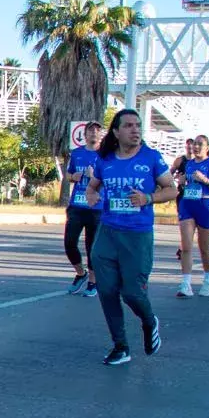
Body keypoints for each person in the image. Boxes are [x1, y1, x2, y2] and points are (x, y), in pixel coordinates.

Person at [84, 109, 178, 365]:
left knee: (133, 293)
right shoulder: (105, 160)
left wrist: (148, 198)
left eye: (138, 125)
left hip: (137, 235)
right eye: (128, 126)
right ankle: (120, 346)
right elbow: (93, 186)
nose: (135, 130)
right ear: (116, 131)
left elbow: (171, 189)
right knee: (107, 290)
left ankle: (149, 321)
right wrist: (92, 195)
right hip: (107, 233)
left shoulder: (151, 158)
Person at [175, 134, 209, 297]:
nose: (196, 147)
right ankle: (185, 284)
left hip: (205, 204)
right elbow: (184, 181)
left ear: (207, 148)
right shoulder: (188, 164)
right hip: (188, 204)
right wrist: (182, 181)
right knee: (186, 246)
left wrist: (205, 180)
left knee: (204, 248)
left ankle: (208, 278)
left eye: (200, 144)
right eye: (194, 144)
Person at [62, 121, 103, 297]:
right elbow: (68, 175)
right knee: (69, 242)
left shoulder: (105, 155)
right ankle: (80, 273)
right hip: (77, 205)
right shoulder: (77, 153)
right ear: (84, 135)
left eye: (97, 130)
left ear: (101, 135)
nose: (94, 133)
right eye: (90, 130)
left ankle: (93, 281)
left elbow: (109, 180)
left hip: (96, 206)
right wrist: (74, 176)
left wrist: (94, 177)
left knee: (91, 247)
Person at [170, 139, 194, 260]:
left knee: (193, 223)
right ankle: (183, 247)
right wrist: (174, 178)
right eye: (188, 146)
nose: (190, 149)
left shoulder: (199, 162)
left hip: (195, 196)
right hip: (183, 195)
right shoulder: (180, 160)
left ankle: (184, 247)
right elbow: (169, 174)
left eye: (192, 146)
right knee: (184, 223)